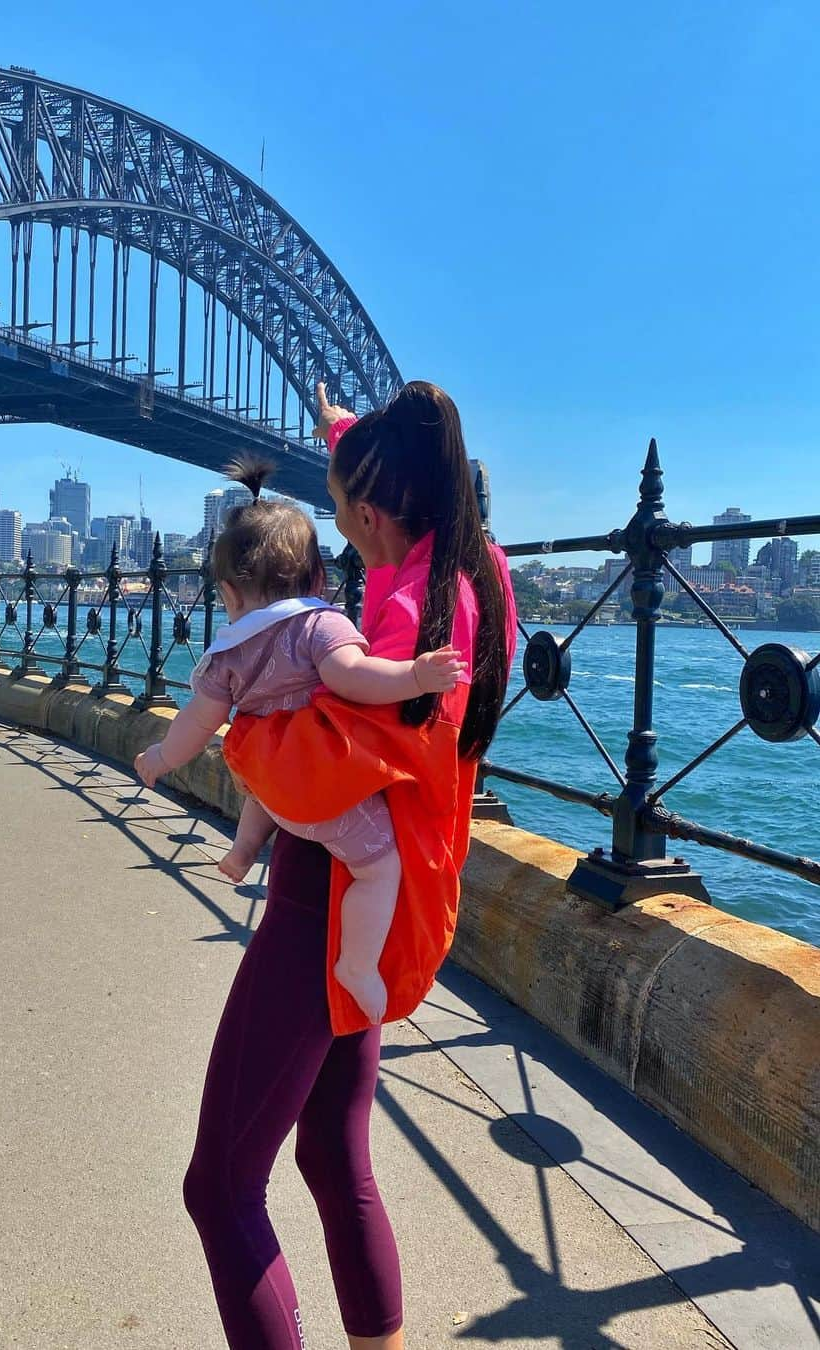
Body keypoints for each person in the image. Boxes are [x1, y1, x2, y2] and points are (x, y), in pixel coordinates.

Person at [176, 381, 517, 1349]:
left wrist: (236, 736)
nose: (340, 541)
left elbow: (337, 757)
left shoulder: (410, 608)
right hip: (401, 879)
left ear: (373, 512)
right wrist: (339, 427)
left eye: (341, 516)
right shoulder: (474, 564)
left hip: (330, 897)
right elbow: (400, 461)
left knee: (220, 1186)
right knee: (332, 1149)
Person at [135, 458, 467, 1024]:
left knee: (262, 768)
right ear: (317, 579)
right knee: (379, 867)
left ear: (229, 593)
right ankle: (357, 965)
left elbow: (200, 719)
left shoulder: (231, 653)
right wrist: (415, 675)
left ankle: (242, 851)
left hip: (272, 786)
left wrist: (161, 756)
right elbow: (351, 679)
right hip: (319, 797)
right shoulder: (321, 625)